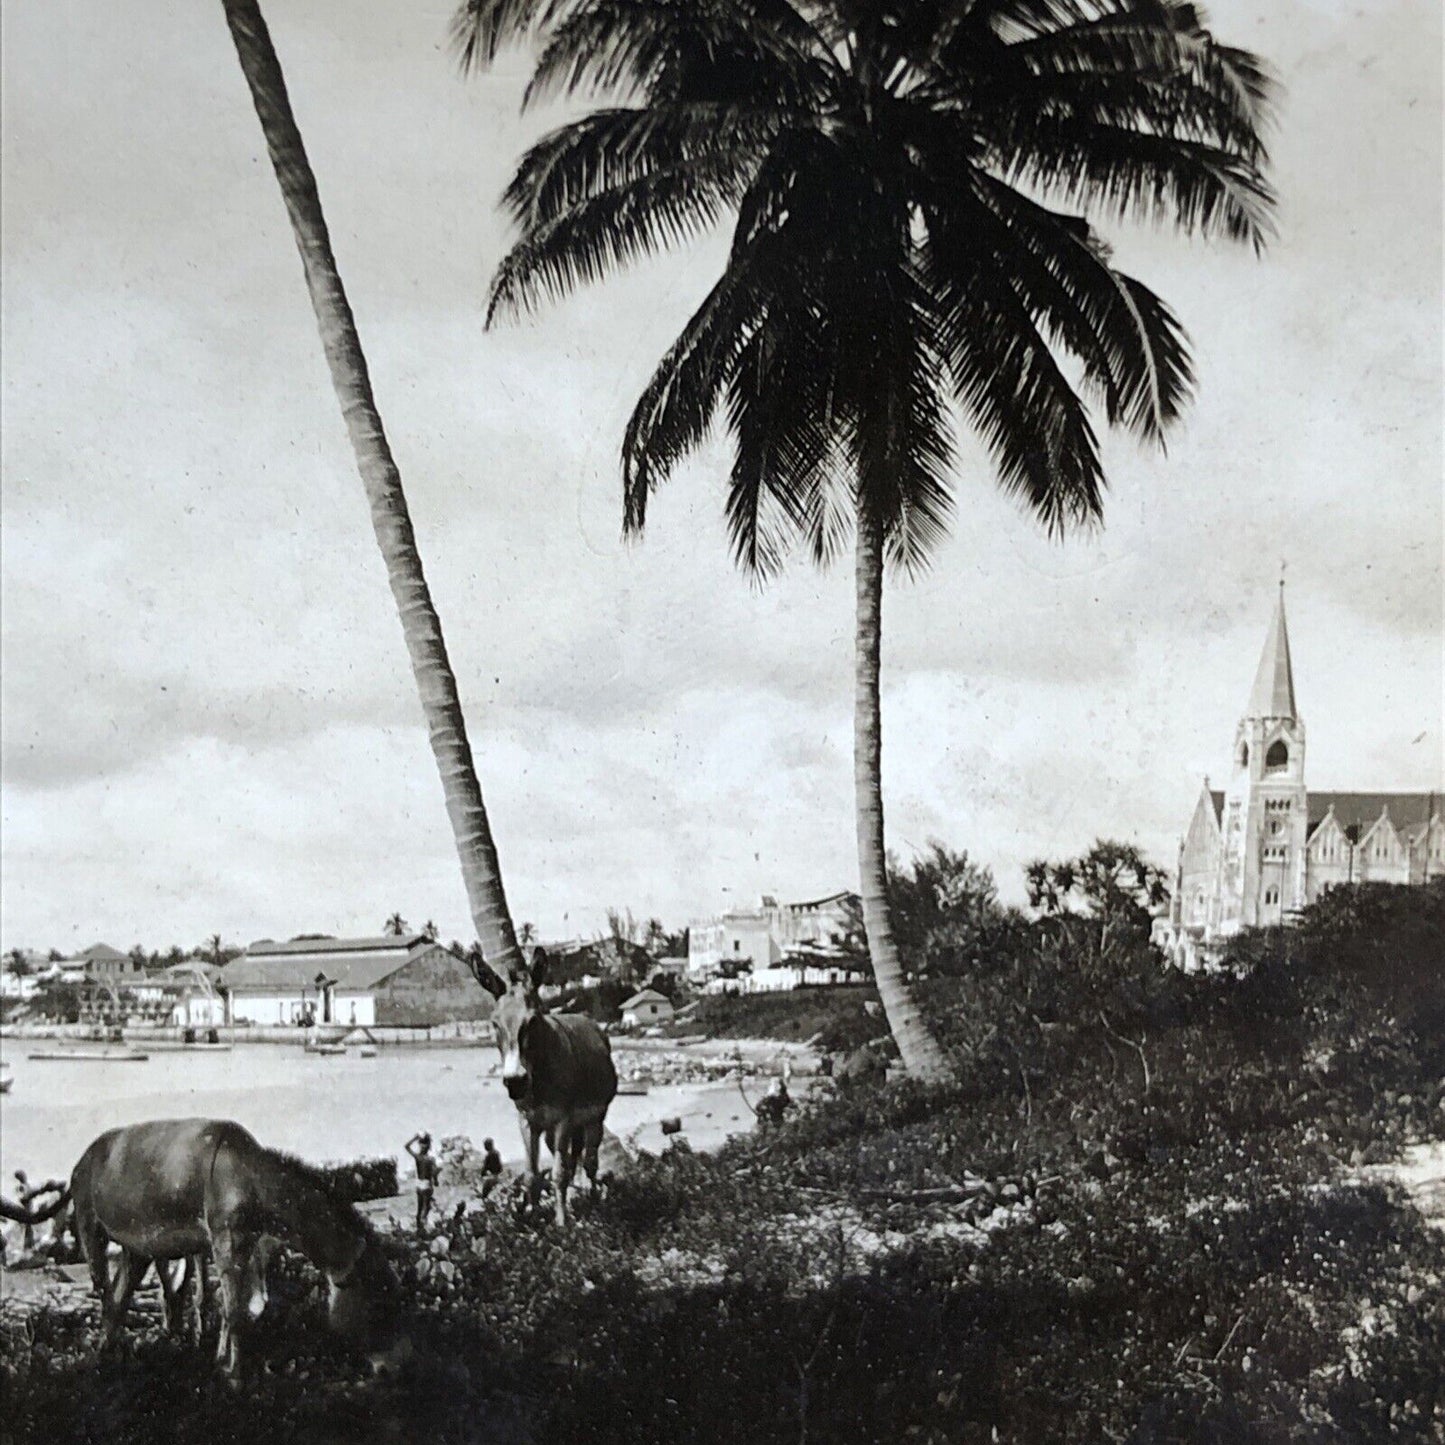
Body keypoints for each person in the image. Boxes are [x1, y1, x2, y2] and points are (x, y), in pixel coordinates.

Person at [405, 1133, 439, 1230]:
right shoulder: (430, 1159)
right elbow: (434, 1173)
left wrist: (415, 1138)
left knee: (420, 1208)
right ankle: (423, 1226)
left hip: (419, 1184)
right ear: (429, 1146)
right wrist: (436, 1181)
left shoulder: (418, 1157)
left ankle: (419, 1228)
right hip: (427, 1184)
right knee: (426, 1207)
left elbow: (407, 1146)